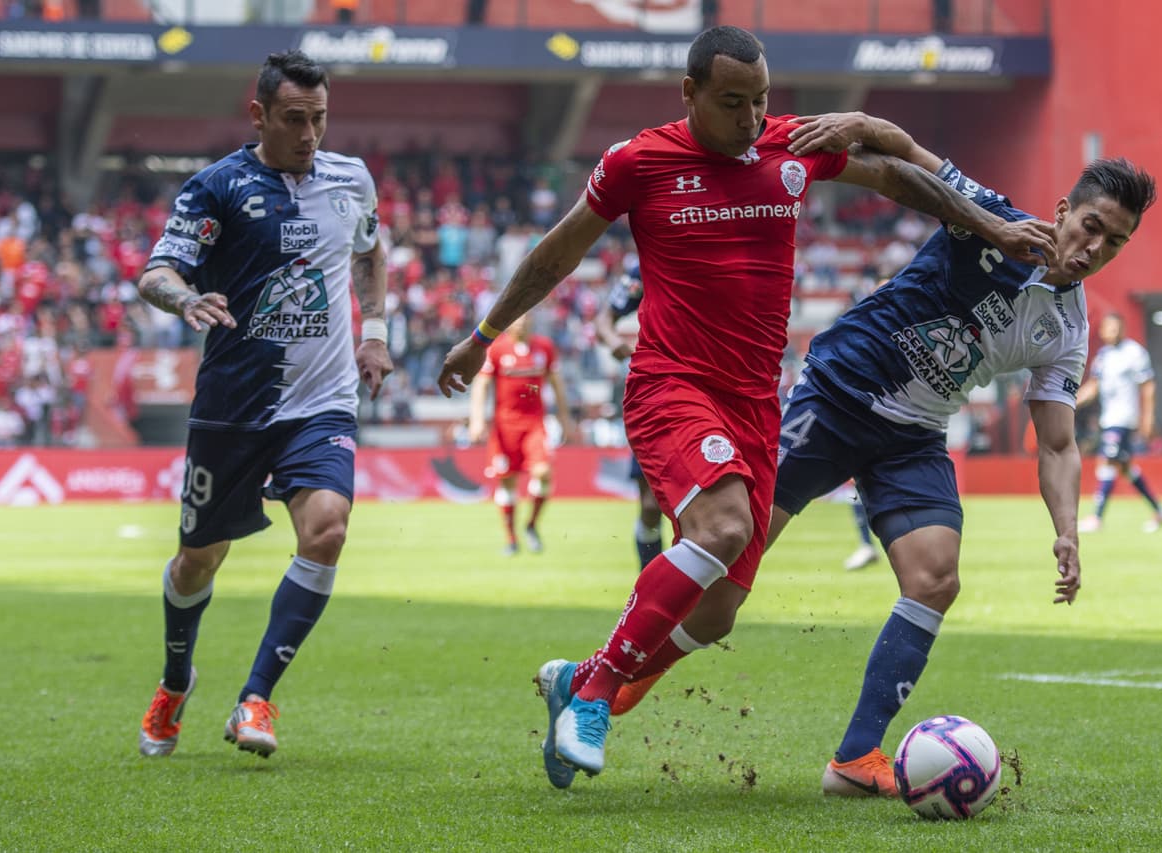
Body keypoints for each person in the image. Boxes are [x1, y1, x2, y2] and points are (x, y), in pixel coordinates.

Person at [436, 25, 1056, 788]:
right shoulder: (639, 162)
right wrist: (484, 334)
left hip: (756, 405)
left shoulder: (788, 144)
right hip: (673, 383)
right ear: (689, 93)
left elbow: (900, 178)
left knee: (718, 613)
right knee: (723, 526)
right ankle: (595, 696)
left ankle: (582, 675)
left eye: (761, 100)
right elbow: (559, 250)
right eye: (732, 102)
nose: (750, 118)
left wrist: (990, 226)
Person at [614, 137, 1156, 795]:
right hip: (836, 394)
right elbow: (905, 154)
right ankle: (625, 668)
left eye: (1115, 242)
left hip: (914, 434)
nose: (1095, 248)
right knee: (720, 595)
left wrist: (1066, 529)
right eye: (1092, 226)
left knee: (935, 577)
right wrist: (854, 120)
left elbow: (1058, 443)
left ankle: (854, 758)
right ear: (1066, 211)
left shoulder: (1068, 330)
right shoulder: (991, 218)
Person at [135, 50, 392, 760]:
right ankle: (176, 678)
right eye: (293, 119)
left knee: (328, 531)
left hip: (323, 401)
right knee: (198, 561)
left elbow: (370, 250)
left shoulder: (351, 178)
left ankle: (256, 695)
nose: (309, 134)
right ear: (259, 114)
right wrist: (185, 296)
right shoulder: (216, 187)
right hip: (234, 405)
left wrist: (374, 333)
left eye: (320, 118)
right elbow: (155, 271)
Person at [468, 310, 572, 555]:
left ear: (532, 322)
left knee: (543, 472)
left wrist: (565, 418)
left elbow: (557, 383)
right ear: (509, 323)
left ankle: (532, 525)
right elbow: (481, 384)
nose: (522, 322)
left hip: (535, 424)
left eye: (526, 318)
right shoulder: (497, 349)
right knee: (508, 482)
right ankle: (511, 538)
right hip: (505, 427)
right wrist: (476, 419)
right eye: (517, 318)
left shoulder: (544, 348)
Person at [593, 264, 666, 570]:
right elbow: (603, 322)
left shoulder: (715, 260)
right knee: (651, 506)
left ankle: (689, 596)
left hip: (706, 389)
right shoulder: (643, 271)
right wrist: (615, 344)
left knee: (701, 510)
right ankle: (649, 581)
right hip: (654, 394)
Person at [1076, 312, 1162, 532]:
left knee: (1108, 461)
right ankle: (1160, 511)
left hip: (1124, 417)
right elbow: (1093, 386)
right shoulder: (1103, 356)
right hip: (1108, 419)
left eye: (1116, 328)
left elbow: (1148, 385)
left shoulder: (1134, 352)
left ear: (1123, 329)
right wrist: (1070, 400)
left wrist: (1148, 417)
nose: (1112, 332)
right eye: (1108, 328)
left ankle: (1096, 518)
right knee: (1124, 467)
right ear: (1102, 331)